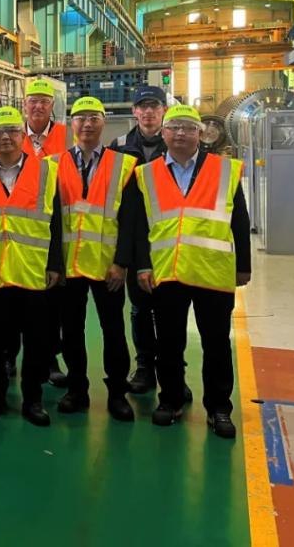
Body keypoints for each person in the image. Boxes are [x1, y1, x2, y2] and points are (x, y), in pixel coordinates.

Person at [133, 104, 251, 439]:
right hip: (168, 271)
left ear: (200, 133)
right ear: (164, 133)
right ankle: (170, 400)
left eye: (188, 127)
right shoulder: (147, 174)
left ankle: (219, 407)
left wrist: (243, 266)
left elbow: (239, 220)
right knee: (169, 343)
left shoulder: (224, 170)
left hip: (212, 271)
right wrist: (143, 264)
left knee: (216, 344)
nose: (181, 133)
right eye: (174, 128)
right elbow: (140, 225)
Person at [0, 106, 63, 427]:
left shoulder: (46, 171)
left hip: (33, 271)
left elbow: (57, 222)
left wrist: (54, 263)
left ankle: (33, 399)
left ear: (23, 136)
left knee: (36, 341)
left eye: (12, 131)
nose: (5, 138)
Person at [52, 97, 138, 422]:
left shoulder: (124, 165)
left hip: (108, 267)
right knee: (71, 332)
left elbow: (130, 221)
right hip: (69, 266)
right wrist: (55, 265)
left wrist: (122, 263)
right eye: (81, 118)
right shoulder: (53, 164)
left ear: (104, 122)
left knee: (113, 331)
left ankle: (117, 393)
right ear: (71, 124)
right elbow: (50, 221)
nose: (87, 124)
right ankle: (77, 390)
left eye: (94, 118)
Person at [109, 85, 168, 394]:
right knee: (140, 307)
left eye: (154, 106)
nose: (148, 112)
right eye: (142, 106)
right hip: (133, 234)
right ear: (134, 111)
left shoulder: (176, 142)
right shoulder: (118, 146)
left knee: (170, 309)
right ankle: (145, 366)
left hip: (170, 235)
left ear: (164, 110)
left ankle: (172, 369)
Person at [20, 78, 68, 387]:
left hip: (55, 228)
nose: (38, 106)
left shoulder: (67, 135)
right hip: (18, 231)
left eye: (44, 101)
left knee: (52, 303)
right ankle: (10, 355)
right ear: (24, 104)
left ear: (52, 106)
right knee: (14, 301)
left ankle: (50, 359)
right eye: (33, 100)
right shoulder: (11, 133)